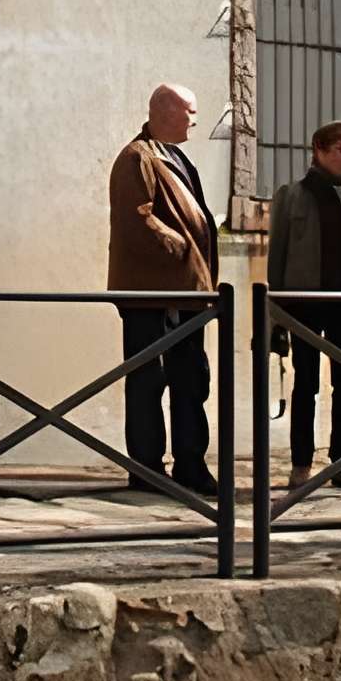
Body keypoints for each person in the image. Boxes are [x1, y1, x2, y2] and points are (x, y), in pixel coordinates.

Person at [106, 82, 220, 497]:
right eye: (189, 110)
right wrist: (182, 246)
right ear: (165, 110)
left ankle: (191, 465)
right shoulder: (137, 157)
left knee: (192, 379)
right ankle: (148, 469)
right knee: (149, 382)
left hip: (185, 292)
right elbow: (141, 221)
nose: (195, 119)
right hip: (153, 294)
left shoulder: (174, 157)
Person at [264, 119, 341, 491]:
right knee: (306, 382)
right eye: (338, 149)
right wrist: (275, 312)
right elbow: (277, 254)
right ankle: (301, 464)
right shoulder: (292, 195)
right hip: (304, 301)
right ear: (319, 150)